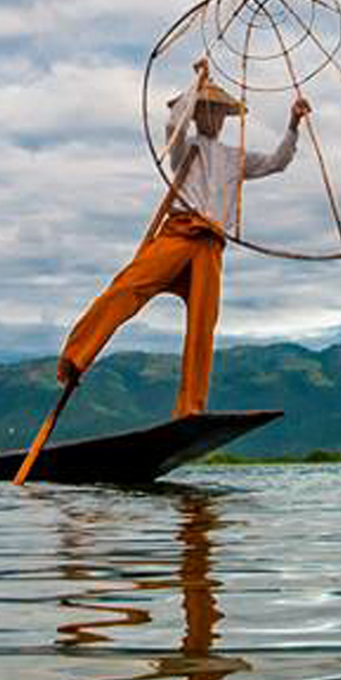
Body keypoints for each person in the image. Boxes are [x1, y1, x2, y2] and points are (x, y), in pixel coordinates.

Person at [56, 59, 310, 419]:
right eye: (206, 111)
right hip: (179, 232)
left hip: (210, 244)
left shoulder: (233, 157)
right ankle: (75, 357)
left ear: (224, 119)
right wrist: (197, 81)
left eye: (219, 113)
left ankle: (190, 409)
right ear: (197, 115)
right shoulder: (185, 146)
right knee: (128, 287)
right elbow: (174, 121)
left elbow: (276, 162)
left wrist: (293, 123)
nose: (214, 119)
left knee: (202, 327)